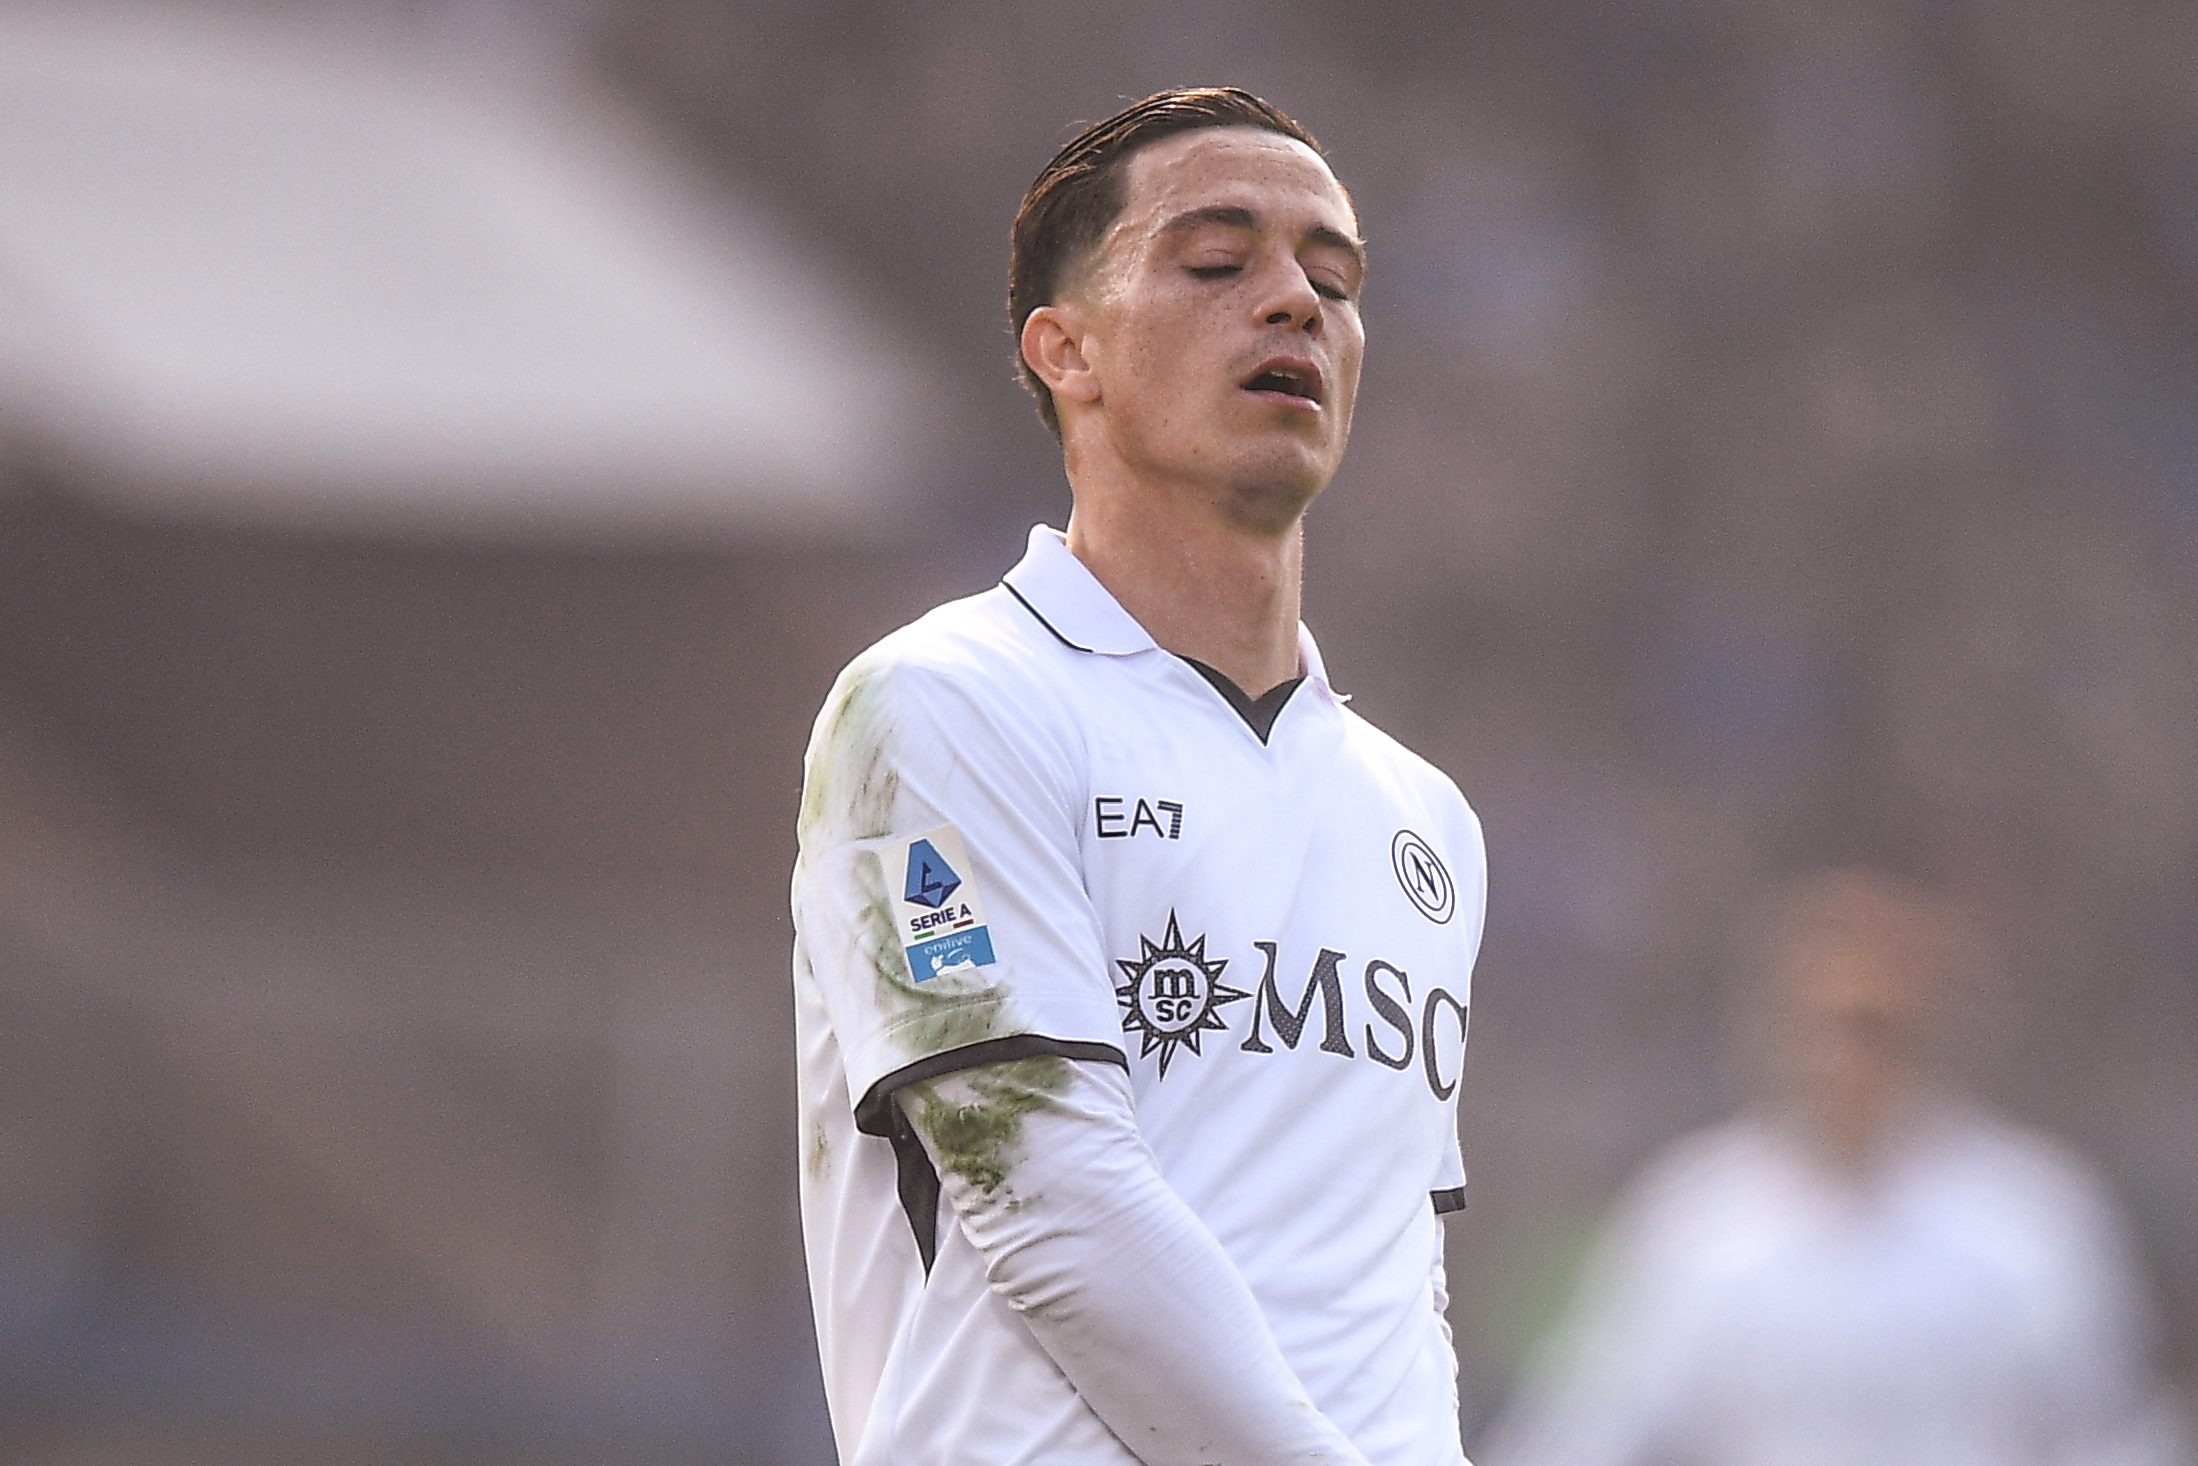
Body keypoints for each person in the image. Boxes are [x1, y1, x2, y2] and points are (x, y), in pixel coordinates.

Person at [791, 88, 1487, 1466]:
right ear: (1066, 350)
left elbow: (1392, 1287)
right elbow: (1047, 1199)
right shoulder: (942, 705)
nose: (1292, 301)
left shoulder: (1425, 817)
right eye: (1217, 261)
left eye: (1333, 280)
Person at [1479, 868, 2187, 1466]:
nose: (1841, 1057)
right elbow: (1586, 1429)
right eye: (1816, 1023)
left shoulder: (2030, 1224)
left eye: (1869, 1025)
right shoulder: (1698, 1223)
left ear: (1925, 1024)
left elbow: (2115, 1435)